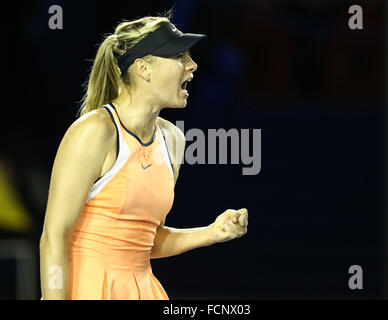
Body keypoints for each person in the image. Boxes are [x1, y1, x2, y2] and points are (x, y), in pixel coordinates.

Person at [39, 14, 248, 300]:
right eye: (179, 57)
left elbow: (143, 241)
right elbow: (54, 236)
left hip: (143, 290)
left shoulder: (173, 140)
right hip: (85, 288)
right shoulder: (94, 131)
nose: (192, 65)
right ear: (143, 68)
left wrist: (211, 232)